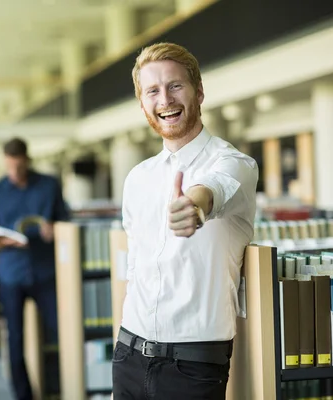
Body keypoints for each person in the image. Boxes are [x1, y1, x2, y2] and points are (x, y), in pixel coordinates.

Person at [112, 42, 258, 400]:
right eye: (153, 91)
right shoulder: (137, 178)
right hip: (129, 353)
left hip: (193, 365)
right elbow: (136, 266)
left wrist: (194, 206)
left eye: (175, 85)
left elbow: (212, 190)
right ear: (143, 103)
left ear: (199, 92)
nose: (165, 99)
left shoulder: (235, 163)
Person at [0, 137, 69, 400]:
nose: (14, 174)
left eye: (19, 167)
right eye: (9, 168)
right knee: (15, 340)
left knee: (63, 332)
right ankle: (24, 396)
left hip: (46, 272)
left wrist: (54, 229)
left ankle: (64, 387)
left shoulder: (49, 185)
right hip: (11, 274)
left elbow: (65, 222)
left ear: (27, 161)